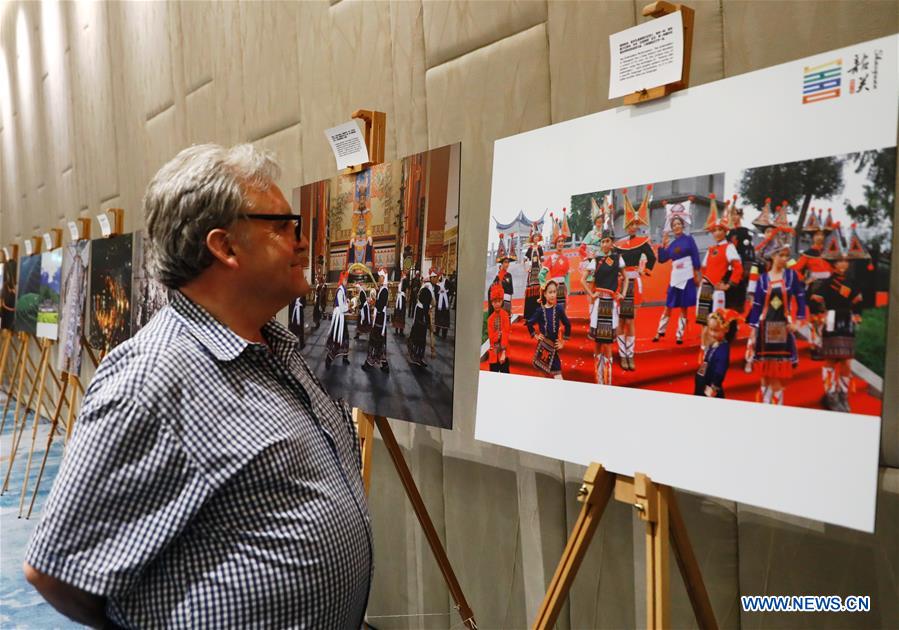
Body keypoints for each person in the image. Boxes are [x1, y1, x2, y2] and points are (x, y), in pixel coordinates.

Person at [23, 144, 371, 628]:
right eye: (282, 226)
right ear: (224, 246)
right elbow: (54, 570)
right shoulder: (152, 378)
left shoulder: (279, 347)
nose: (301, 240)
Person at [810, 223, 868, 412]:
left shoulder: (854, 283)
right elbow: (813, 300)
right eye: (839, 261)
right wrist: (820, 314)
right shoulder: (826, 283)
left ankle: (843, 395)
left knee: (846, 361)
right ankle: (830, 394)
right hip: (831, 320)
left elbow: (859, 302)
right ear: (834, 263)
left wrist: (857, 314)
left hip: (848, 321)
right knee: (830, 360)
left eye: (846, 261)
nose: (843, 264)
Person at [746, 228, 807, 405]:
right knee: (765, 374)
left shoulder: (791, 276)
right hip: (765, 328)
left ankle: (777, 408)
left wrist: (798, 321)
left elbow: (801, 297)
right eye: (781, 255)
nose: (785, 259)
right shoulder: (763, 279)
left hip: (782, 328)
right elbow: (757, 305)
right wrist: (753, 328)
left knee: (777, 376)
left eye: (787, 256)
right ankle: (765, 406)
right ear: (773, 256)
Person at [615, 187, 657, 371]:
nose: (632, 226)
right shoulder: (620, 244)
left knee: (630, 321)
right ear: (626, 225)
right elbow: (614, 262)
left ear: (638, 225)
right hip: (621, 283)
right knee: (621, 321)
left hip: (633, 283)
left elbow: (653, 258)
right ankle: (622, 354)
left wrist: (645, 271)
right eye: (630, 223)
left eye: (635, 224)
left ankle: (629, 355)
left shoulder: (642, 242)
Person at [583, 217, 626, 385]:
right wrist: (591, 294)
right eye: (602, 241)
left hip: (611, 304)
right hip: (599, 303)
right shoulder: (596, 261)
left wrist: (621, 293)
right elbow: (583, 279)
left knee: (607, 344)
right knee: (597, 344)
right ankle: (598, 379)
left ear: (612, 242)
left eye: (607, 241)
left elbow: (626, 277)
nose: (605, 244)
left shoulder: (617, 259)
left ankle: (607, 381)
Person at [698, 194, 743, 354]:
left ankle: (715, 351)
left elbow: (738, 267)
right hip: (706, 287)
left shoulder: (729, 247)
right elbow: (704, 268)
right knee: (703, 320)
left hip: (717, 289)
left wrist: (729, 284)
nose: (717, 233)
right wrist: (702, 281)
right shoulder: (711, 249)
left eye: (720, 230)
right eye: (714, 230)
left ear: (725, 231)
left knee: (716, 321)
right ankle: (704, 349)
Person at [654, 204, 701, 344]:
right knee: (668, 305)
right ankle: (660, 331)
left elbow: (695, 256)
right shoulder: (672, 244)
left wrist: (697, 273)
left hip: (687, 276)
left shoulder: (689, 240)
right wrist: (663, 245)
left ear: (683, 225)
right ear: (672, 228)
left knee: (684, 307)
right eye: (674, 225)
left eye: (678, 224)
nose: (676, 227)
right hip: (675, 277)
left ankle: (679, 334)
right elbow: (662, 259)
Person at [793, 208, 833, 358]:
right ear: (812, 236)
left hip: (830, 288)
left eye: (822, 234)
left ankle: (826, 345)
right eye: (816, 234)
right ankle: (815, 346)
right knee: (816, 319)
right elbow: (796, 270)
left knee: (828, 318)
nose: (819, 237)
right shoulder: (808, 254)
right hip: (816, 288)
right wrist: (805, 280)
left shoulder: (830, 253)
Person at [526, 280, 571, 379]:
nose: (553, 295)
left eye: (554, 292)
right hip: (543, 348)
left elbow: (567, 324)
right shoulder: (540, 310)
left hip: (553, 348)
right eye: (550, 292)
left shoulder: (559, 309)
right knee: (542, 377)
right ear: (545, 294)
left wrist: (563, 342)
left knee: (558, 376)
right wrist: (535, 335)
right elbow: (529, 322)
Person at [694, 308, 740, 398]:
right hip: (704, 381)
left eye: (715, 330)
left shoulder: (723, 349)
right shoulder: (715, 343)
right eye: (710, 330)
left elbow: (720, 371)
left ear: (726, 329)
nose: (711, 334)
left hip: (710, 386)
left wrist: (714, 387)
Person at [725, 195, 756, 309]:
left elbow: (748, 251)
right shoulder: (727, 232)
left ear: (740, 216)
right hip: (728, 264)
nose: (733, 217)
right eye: (731, 214)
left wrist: (746, 266)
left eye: (736, 214)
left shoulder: (744, 232)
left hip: (741, 262)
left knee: (739, 289)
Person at [407, 268, 436, 367]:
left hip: (420, 312)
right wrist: (428, 322)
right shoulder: (428, 289)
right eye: (435, 278)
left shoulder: (427, 287)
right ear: (431, 278)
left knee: (418, 334)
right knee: (420, 336)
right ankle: (417, 357)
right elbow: (426, 306)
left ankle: (417, 356)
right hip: (421, 313)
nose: (437, 280)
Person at [363, 268, 390, 373]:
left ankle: (370, 362)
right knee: (380, 341)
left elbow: (380, 305)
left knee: (375, 340)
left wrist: (373, 302)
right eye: (379, 277)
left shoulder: (384, 290)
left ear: (384, 279)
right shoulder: (383, 289)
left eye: (380, 277)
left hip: (379, 318)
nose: (379, 278)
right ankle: (384, 364)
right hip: (379, 317)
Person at [539, 234, 571, 312]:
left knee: (562, 311)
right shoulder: (552, 258)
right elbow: (541, 274)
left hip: (563, 288)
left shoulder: (566, 259)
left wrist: (568, 292)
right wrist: (545, 287)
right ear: (555, 244)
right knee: (552, 312)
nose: (560, 243)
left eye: (562, 241)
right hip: (553, 288)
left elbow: (567, 277)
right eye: (559, 241)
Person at [326, 271, 351, 367]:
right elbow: (341, 307)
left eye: (347, 279)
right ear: (341, 280)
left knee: (345, 336)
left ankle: (345, 357)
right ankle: (329, 359)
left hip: (341, 317)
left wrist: (347, 303)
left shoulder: (343, 290)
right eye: (345, 279)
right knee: (336, 337)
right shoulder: (340, 291)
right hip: (338, 318)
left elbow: (343, 304)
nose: (346, 281)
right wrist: (348, 306)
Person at [486, 283, 511, 373]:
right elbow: (491, 338)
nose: (497, 304)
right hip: (493, 354)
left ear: (502, 301)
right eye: (494, 301)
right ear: (491, 302)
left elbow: (506, 333)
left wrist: (503, 352)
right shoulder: (490, 319)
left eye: (499, 301)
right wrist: (498, 334)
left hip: (503, 352)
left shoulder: (505, 315)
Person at [522, 230, 545, 321]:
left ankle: (539, 316)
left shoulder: (540, 248)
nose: (536, 238)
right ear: (532, 238)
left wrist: (543, 271)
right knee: (530, 292)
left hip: (539, 272)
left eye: (537, 236)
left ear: (539, 238)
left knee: (539, 291)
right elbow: (523, 260)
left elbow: (542, 261)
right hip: (531, 273)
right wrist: (526, 268)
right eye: (534, 236)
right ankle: (529, 316)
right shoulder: (530, 249)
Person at [434, 270, 451, 338]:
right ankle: (437, 331)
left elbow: (452, 288)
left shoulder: (446, 281)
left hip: (444, 303)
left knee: (445, 319)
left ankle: (444, 334)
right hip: (439, 304)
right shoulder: (437, 283)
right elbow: (435, 292)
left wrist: (446, 292)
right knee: (438, 317)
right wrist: (438, 292)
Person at [393, 270, 407, 335]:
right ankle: (398, 330)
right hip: (400, 299)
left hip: (401, 299)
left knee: (400, 313)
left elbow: (406, 289)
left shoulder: (404, 280)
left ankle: (399, 330)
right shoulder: (402, 280)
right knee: (399, 313)